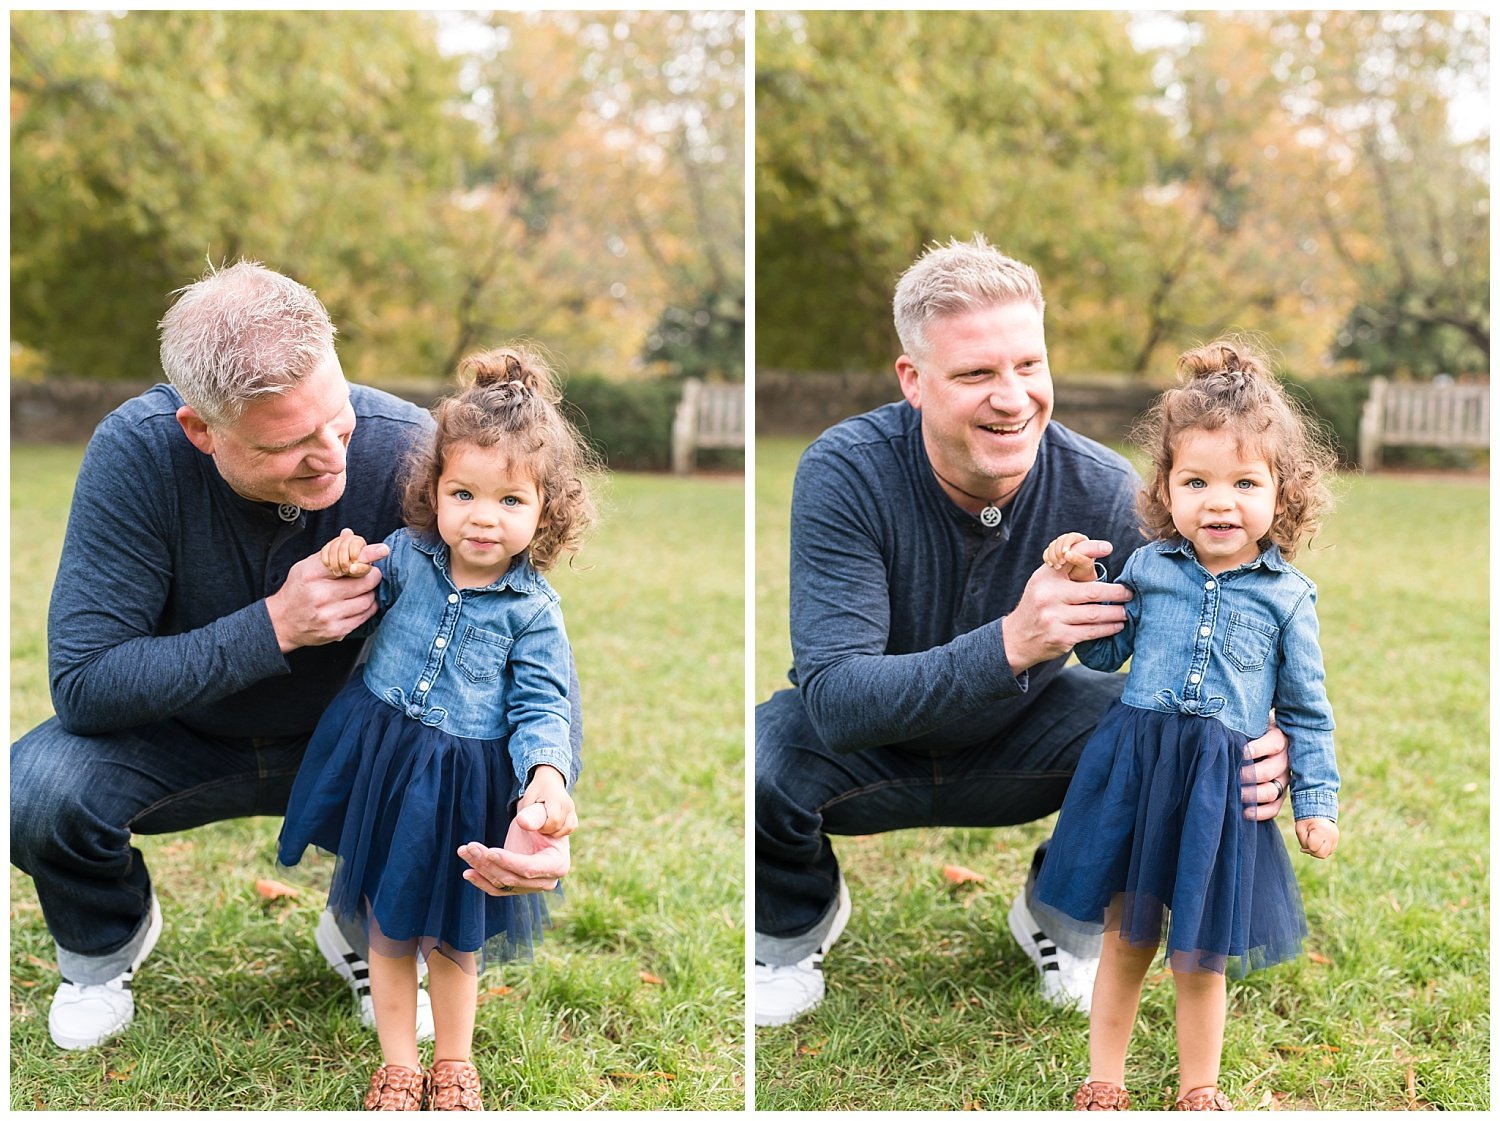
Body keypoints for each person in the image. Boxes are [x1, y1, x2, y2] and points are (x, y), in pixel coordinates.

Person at [10, 261, 578, 1054]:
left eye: (336, 420)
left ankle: (364, 928)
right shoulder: (136, 457)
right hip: (178, 737)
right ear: (201, 430)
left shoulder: (417, 453)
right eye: (289, 443)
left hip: (357, 742)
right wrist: (273, 624)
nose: (332, 457)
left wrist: (544, 784)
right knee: (36, 787)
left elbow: (521, 647)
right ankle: (106, 943)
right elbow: (83, 683)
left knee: (463, 771)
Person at [754, 235, 1294, 1029]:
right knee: (765, 752)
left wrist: (1266, 728)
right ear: (914, 379)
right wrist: (1013, 640)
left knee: (1177, 737)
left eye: (1028, 366)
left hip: (1028, 738)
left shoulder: (1105, 489)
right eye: (976, 373)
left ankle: (1060, 916)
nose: (1012, 398)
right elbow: (834, 699)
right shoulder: (844, 471)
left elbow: (1224, 625)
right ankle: (794, 926)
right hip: (864, 749)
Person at [277, 347, 596, 1110]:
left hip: (462, 781)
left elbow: (544, 704)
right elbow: (355, 581)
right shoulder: (412, 559)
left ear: (546, 510)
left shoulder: (532, 611)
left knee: (452, 934)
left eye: (511, 501)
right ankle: (396, 1061)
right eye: (464, 493)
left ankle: (453, 1058)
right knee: (387, 920)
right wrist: (346, 557)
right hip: (384, 758)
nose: (483, 517)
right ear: (435, 491)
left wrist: (546, 778)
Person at [1033, 339, 1340, 1111]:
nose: (1219, 502)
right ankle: (1106, 1076)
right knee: (1127, 935)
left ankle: (1199, 1085)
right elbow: (1106, 656)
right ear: (1166, 488)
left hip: (1218, 790)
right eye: (1195, 480)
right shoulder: (1147, 569)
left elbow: (1305, 710)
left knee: (1199, 954)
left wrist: (1317, 801)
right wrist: (1081, 579)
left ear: (1282, 493)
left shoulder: (1288, 598)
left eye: (1244, 481)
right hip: (1138, 774)